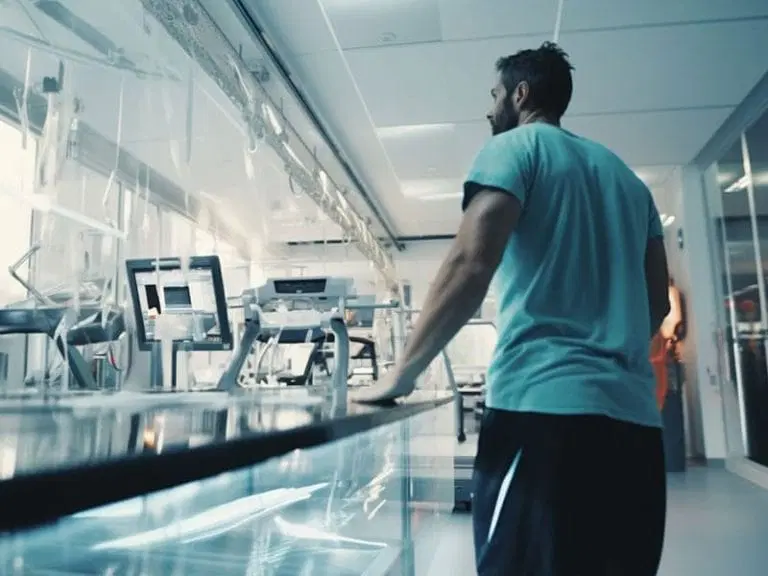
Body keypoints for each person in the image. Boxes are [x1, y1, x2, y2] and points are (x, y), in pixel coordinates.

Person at [354, 41, 670, 575]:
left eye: (495, 94)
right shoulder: (629, 182)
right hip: (634, 426)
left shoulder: (515, 148)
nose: (489, 107)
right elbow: (656, 303)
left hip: (541, 419)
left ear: (520, 95)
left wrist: (400, 375)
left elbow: (470, 265)